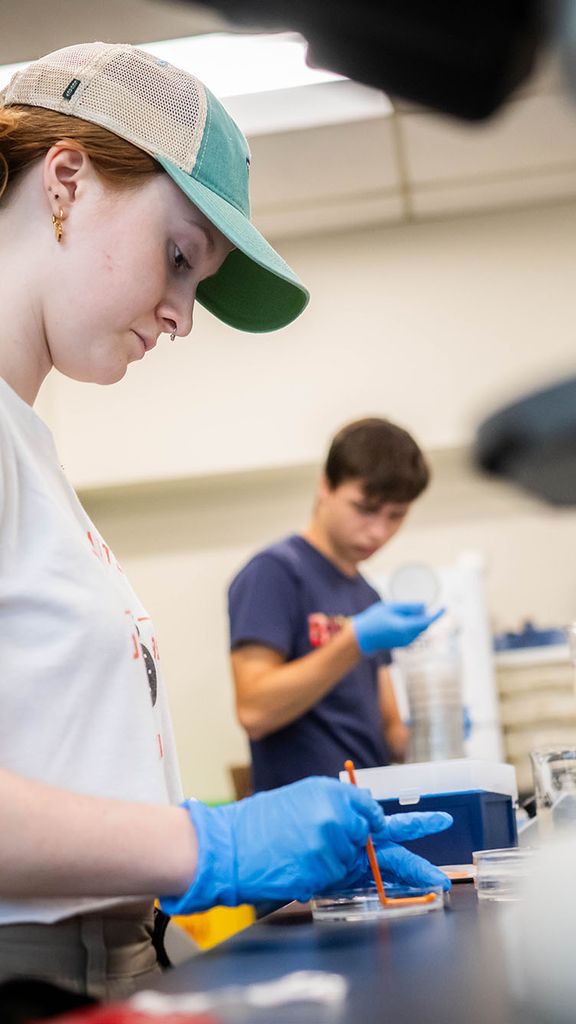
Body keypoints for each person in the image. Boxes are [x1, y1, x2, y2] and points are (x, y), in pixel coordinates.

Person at [0, 42, 452, 998]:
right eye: (178, 258)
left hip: (104, 957)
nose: (182, 316)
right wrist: (208, 843)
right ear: (67, 181)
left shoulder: (32, 457)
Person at [229, 417, 439, 791]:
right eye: (365, 508)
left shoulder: (367, 595)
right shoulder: (275, 573)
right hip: (302, 828)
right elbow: (254, 710)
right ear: (325, 485)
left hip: (367, 816)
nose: (378, 531)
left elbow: (389, 731)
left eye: (396, 516)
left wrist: (434, 724)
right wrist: (353, 641)